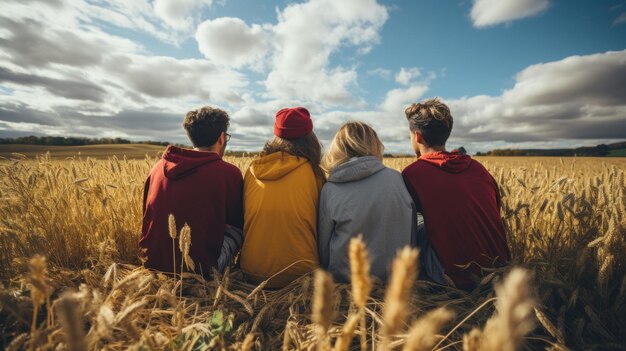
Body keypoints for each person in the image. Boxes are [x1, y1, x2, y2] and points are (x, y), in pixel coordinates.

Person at [402, 98, 510, 289]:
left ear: (417, 137)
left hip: (456, 279)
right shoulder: (477, 168)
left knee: (414, 220)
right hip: (501, 270)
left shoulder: (414, 173)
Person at [139, 106, 244, 277]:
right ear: (222, 138)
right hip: (201, 270)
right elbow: (237, 219)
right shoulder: (228, 172)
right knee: (240, 230)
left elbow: (147, 214)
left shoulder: (157, 168)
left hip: (152, 262)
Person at [317, 121, 416, 283]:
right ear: (375, 145)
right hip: (394, 280)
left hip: (346, 283)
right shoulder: (396, 179)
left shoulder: (330, 189)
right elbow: (411, 233)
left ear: (337, 149)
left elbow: (324, 248)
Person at [240, 107, 323, 288]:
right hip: (302, 274)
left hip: (252, 272)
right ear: (310, 139)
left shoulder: (253, 170)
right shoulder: (314, 173)